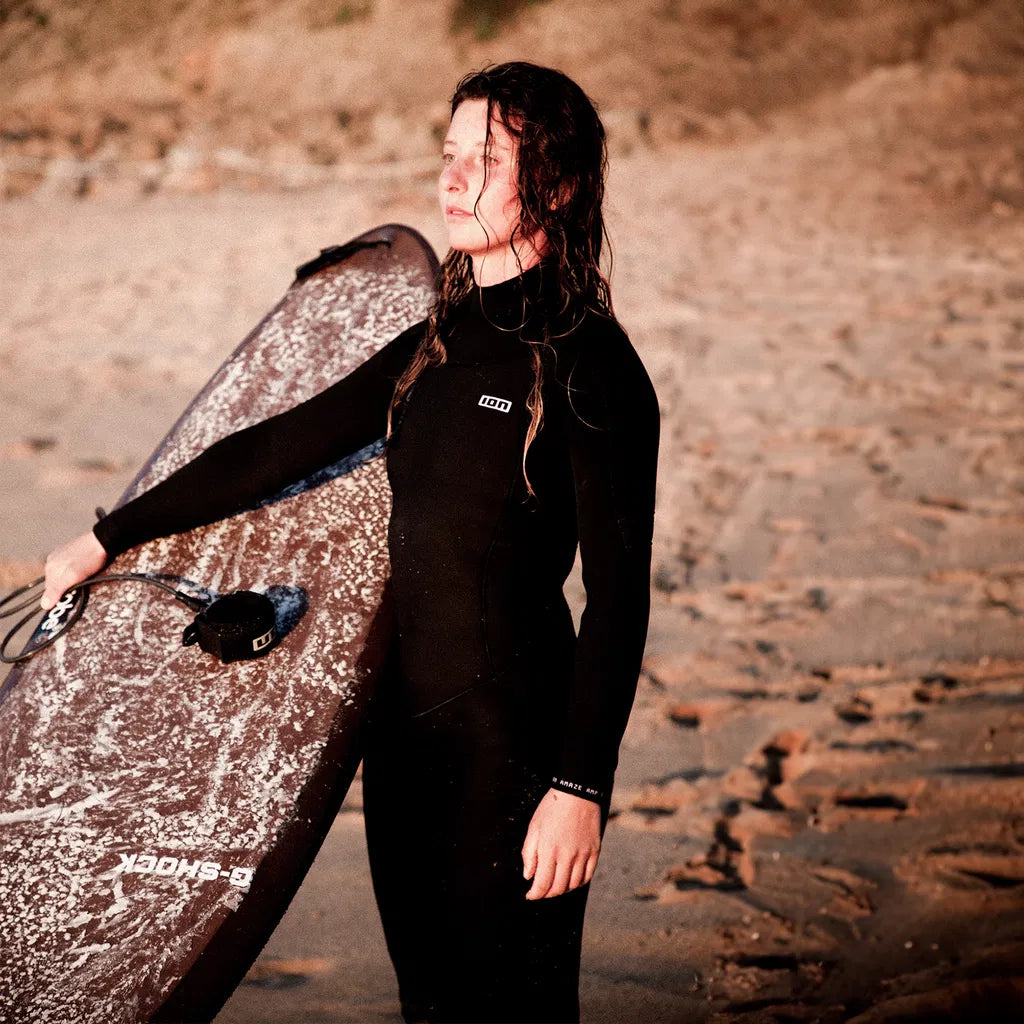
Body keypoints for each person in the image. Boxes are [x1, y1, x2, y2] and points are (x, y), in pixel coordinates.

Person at [41, 61, 660, 1024]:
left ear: (563, 185)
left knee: (518, 1008)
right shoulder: (439, 342)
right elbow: (279, 447)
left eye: (489, 159)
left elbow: (619, 604)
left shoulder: (590, 366)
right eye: (449, 153)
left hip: (513, 748)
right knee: (429, 1002)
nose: (454, 177)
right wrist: (107, 535)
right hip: (400, 743)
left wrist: (580, 788)